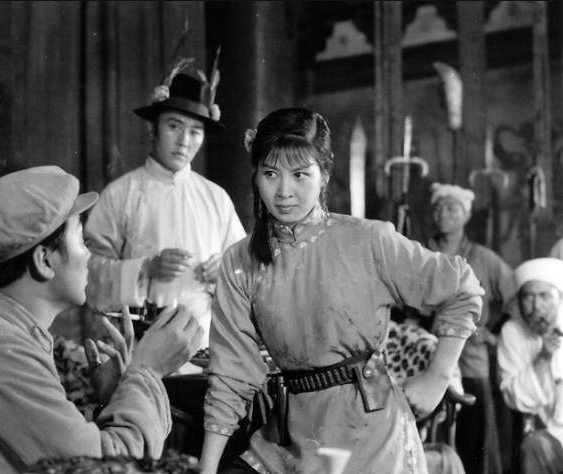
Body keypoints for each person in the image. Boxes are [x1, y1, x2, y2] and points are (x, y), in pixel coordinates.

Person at [198, 108, 484, 474]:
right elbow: (231, 373)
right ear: (256, 177)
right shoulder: (240, 261)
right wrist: (206, 469)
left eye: (300, 174)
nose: (284, 191)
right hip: (287, 439)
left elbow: (462, 288)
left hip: (371, 431)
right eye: (270, 174)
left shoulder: (367, 240)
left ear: (324, 176)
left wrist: (437, 378)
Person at [0, 166, 203, 473]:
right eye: (81, 240)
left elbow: (70, 458)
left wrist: (120, 396)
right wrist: (147, 371)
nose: (89, 256)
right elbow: (102, 470)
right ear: (44, 260)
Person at [83, 64, 246, 354]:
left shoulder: (216, 198)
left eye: (195, 131)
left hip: (206, 344)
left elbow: (248, 272)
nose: (184, 141)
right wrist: (145, 268)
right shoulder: (121, 193)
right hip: (139, 343)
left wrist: (226, 271)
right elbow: (87, 276)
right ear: (152, 127)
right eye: (174, 126)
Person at [425, 182, 516, 474]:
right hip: (429, 357)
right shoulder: (421, 253)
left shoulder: (484, 258)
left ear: (466, 215)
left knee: (474, 440)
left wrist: (492, 332)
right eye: (438, 208)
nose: (443, 215)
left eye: (452, 209)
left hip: (472, 359)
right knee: (433, 438)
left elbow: (514, 295)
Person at [497, 257, 563, 474]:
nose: (536, 307)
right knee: (533, 448)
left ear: (560, 297)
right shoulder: (512, 332)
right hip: (552, 435)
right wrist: (544, 357)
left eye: (544, 296)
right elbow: (514, 397)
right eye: (528, 297)